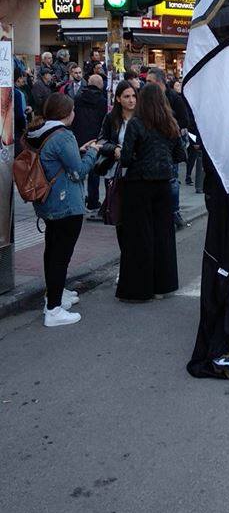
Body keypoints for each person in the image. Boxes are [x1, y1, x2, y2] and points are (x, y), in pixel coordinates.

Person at [26, 93, 99, 327]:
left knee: (53, 252)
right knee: (61, 256)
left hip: (48, 203)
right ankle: (54, 309)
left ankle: (55, 294)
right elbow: (78, 171)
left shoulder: (39, 133)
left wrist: (78, 150)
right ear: (66, 113)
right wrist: (93, 153)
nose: (75, 113)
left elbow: (57, 160)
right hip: (66, 204)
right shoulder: (63, 135)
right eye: (73, 109)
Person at [117, 84, 183, 301]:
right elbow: (179, 153)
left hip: (139, 183)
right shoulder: (170, 123)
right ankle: (162, 285)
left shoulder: (136, 123)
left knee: (139, 236)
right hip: (164, 183)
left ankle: (139, 288)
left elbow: (126, 157)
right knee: (163, 235)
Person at [146, 67, 188, 228]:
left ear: (159, 82)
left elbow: (185, 120)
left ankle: (174, 212)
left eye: (149, 81)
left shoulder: (174, 98)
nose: (146, 84)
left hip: (169, 146)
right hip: (152, 147)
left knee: (172, 180)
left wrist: (170, 128)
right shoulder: (146, 98)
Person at [96, 80, 137, 247]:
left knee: (134, 218)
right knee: (119, 215)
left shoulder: (141, 117)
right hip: (115, 172)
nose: (131, 100)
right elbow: (101, 141)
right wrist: (114, 149)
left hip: (136, 173)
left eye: (134, 96)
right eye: (126, 96)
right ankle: (125, 256)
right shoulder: (111, 117)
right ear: (118, 99)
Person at [71, 74, 107, 216]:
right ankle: (93, 200)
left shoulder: (78, 98)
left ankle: (78, 199)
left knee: (77, 170)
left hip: (79, 138)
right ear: (100, 85)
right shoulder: (102, 101)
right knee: (94, 172)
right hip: (95, 139)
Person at [13, 67, 31, 156]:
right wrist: (25, 128)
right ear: (18, 78)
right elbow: (20, 115)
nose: (24, 80)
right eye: (22, 77)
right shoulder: (18, 93)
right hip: (18, 131)